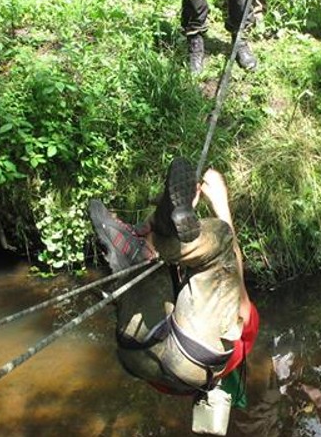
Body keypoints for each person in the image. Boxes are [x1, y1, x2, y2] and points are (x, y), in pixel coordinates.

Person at [89, 158, 259, 434]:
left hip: (154, 349)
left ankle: (155, 236)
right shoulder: (227, 352)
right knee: (158, 267)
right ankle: (155, 238)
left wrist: (221, 205)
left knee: (221, 239)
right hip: (143, 358)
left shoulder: (241, 336)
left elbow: (237, 292)